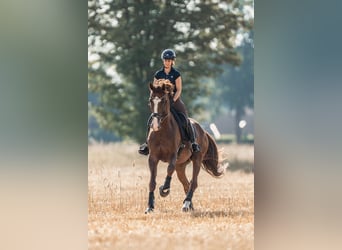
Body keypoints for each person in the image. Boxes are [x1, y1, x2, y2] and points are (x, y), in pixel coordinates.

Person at [138, 49, 201, 155]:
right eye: (166, 60)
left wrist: (173, 100)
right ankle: (147, 145)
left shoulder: (176, 74)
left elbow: (179, 89)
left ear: (172, 61)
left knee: (185, 119)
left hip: (174, 101)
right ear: (163, 61)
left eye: (169, 60)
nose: (167, 62)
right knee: (150, 121)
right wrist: (153, 100)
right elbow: (153, 89)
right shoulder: (158, 74)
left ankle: (193, 143)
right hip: (161, 102)